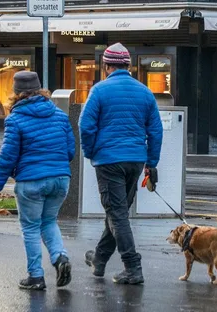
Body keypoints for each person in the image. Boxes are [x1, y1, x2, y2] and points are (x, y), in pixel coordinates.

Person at [79, 43, 163, 285]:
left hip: (109, 160)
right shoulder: (145, 92)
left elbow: (85, 126)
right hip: (135, 160)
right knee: (118, 212)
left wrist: (90, 151)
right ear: (129, 66)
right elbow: (155, 131)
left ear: (106, 66)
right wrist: (151, 162)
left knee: (116, 214)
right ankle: (99, 259)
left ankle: (133, 267)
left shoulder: (99, 90)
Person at [0, 71, 75, 291]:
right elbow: (70, 151)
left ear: (15, 93)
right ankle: (60, 257)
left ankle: (36, 276)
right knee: (49, 221)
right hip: (60, 179)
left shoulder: (15, 119)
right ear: (40, 90)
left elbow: (7, 156)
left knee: (31, 227)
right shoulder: (59, 115)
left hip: (31, 181)